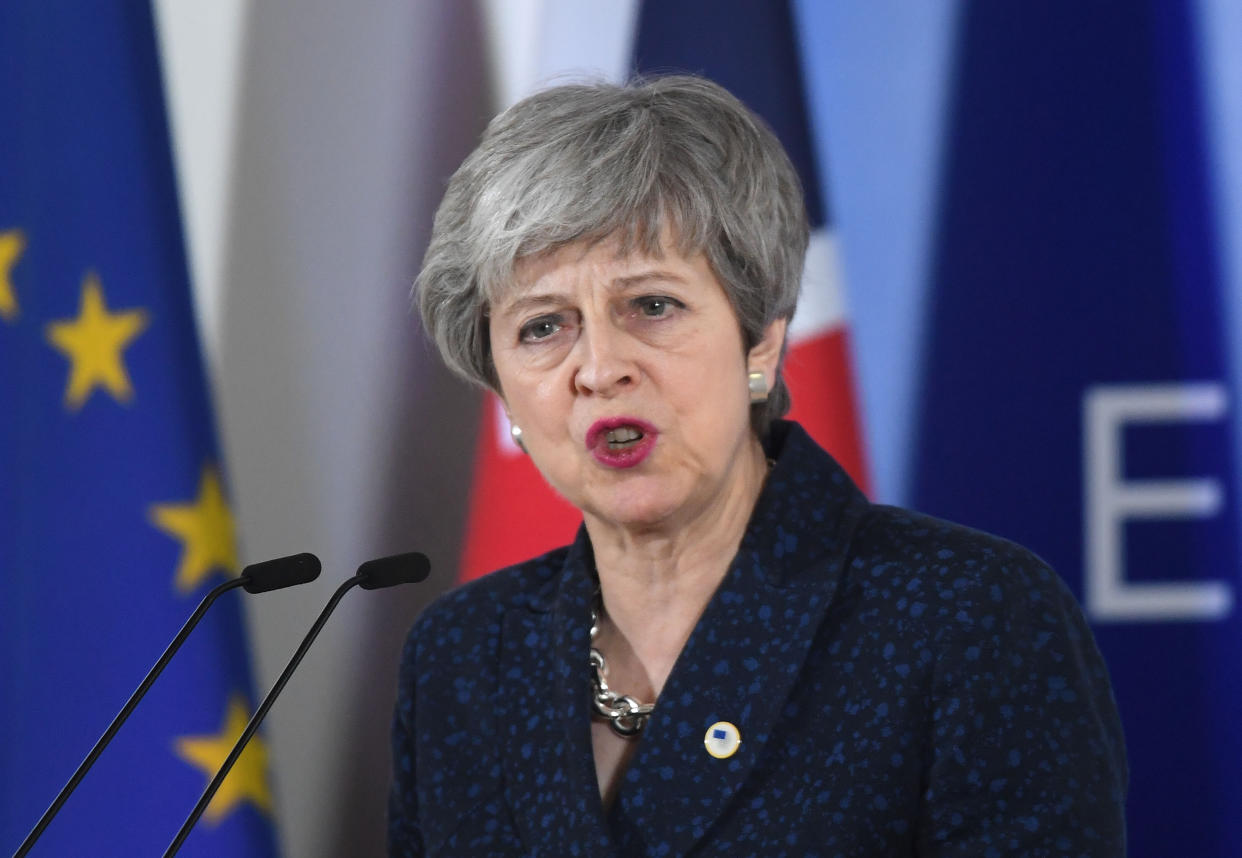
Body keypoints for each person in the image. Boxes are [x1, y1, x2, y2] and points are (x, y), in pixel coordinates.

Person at [389, 75, 1127, 856]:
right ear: (499, 385)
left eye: (652, 306)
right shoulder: (464, 659)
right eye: (543, 327)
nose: (600, 367)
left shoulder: (966, 617)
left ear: (762, 343)